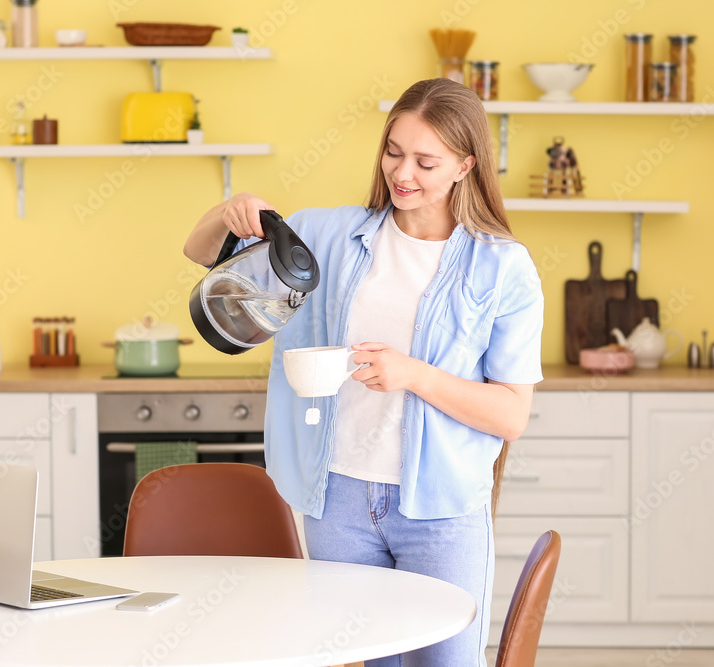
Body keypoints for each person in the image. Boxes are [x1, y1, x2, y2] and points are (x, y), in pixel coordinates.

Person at [183, 78, 543, 666]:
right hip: (338, 498)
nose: (404, 172)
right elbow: (203, 255)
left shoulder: (502, 267)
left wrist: (414, 376)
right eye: (394, 151)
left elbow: (511, 414)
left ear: (465, 166)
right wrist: (226, 213)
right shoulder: (328, 235)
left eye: (426, 161)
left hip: (441, 513)